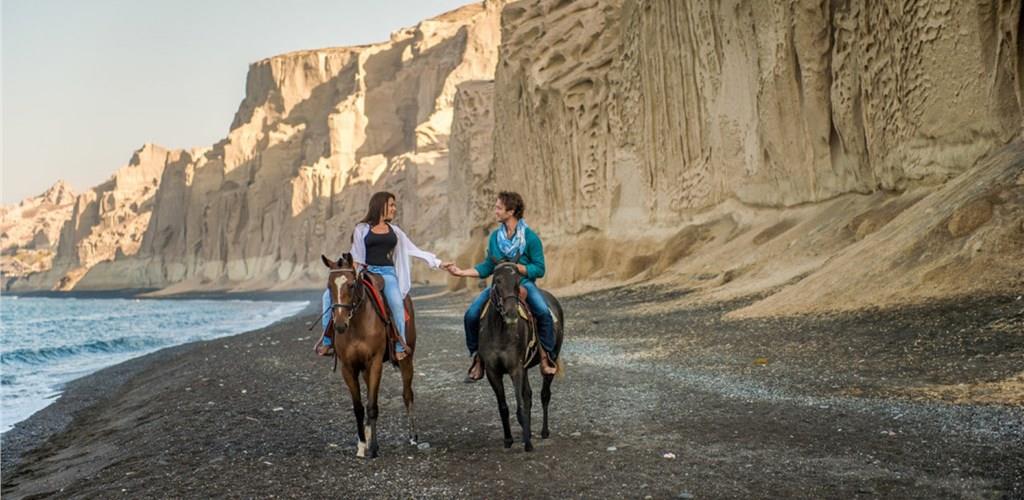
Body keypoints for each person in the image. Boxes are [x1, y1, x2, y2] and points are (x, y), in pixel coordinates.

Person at [443, 191, 557, 381]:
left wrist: (519, 268)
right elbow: (488, 266)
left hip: (523, 283)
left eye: (498, 208)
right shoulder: (495, 238)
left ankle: (546, 357)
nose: (495, 211)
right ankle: (478, 358)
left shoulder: (530, 238)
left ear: (511, 211)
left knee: (544, 313)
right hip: (500, 286)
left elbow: (540, 268)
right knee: (471, 314)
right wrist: (462, 272)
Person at [317, 191, 443, 360]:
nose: (394, 209)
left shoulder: (395, 231)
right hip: (366, 271)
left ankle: (400, 344)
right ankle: (327, 341)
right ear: (380, 205)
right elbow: (357, 256)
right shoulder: (361, 229)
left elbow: (413, 249)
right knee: (327, 297)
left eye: (394, 205)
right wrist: (350, 274)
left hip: (387, 274)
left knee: (397, 303)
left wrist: (437, 262)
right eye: (391, 205)